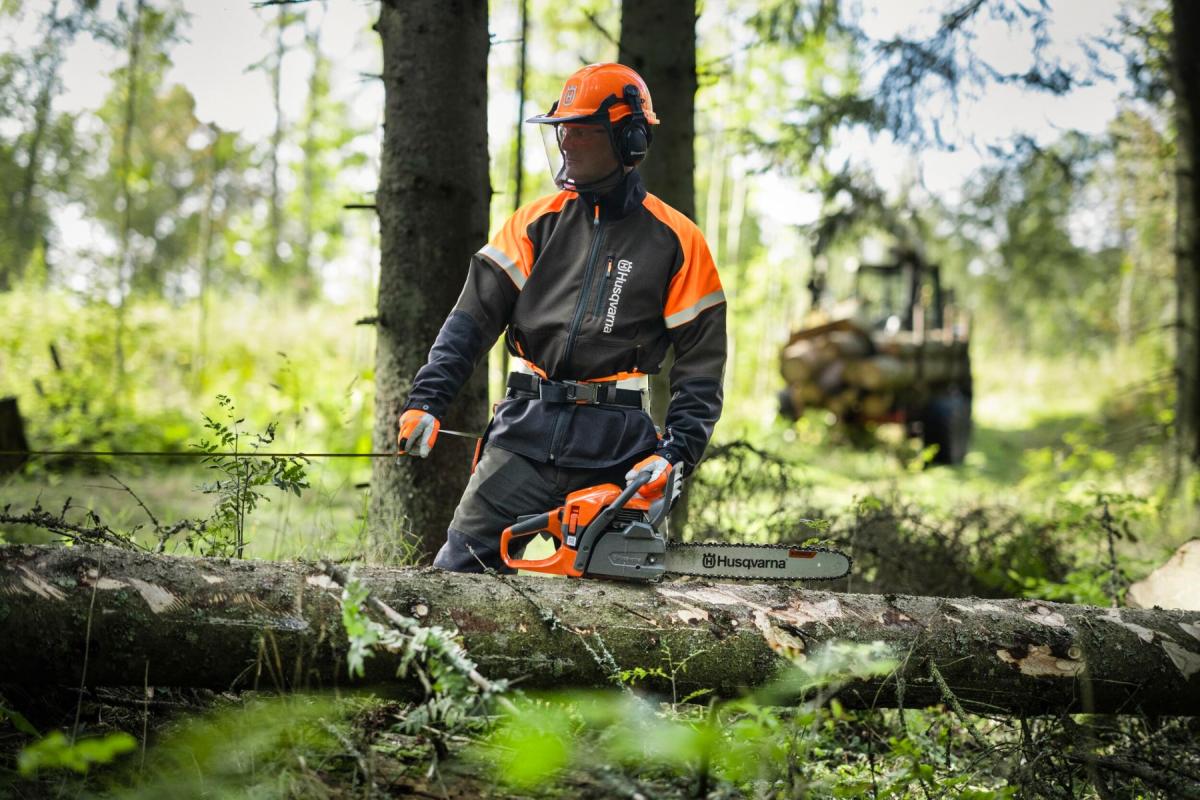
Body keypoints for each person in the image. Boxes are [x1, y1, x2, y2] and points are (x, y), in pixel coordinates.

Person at [395, 62, 727, 573]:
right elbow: (470, 321)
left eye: (582, 132)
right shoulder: (534, 223)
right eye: (563, 130)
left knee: (620, 605)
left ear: (629, 140)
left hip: (619, 450)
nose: (567, 143)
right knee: (457, 575)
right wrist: (427, 402)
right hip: (523, 434)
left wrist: (674, 454)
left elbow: (701, 369)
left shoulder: (677, 240)